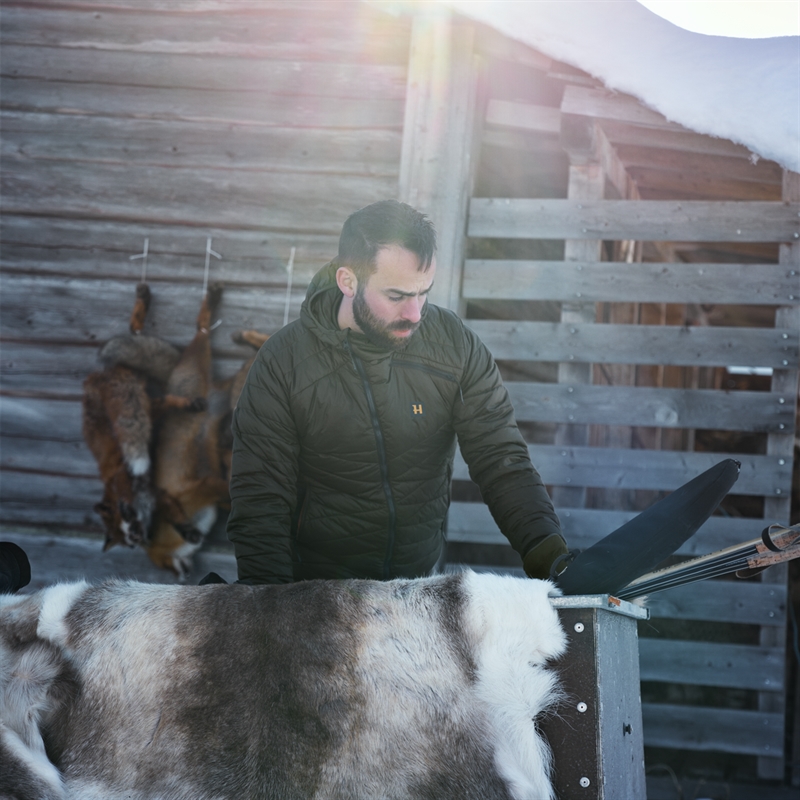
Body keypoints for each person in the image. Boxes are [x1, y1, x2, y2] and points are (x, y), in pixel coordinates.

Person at [227, 200, 568, 584]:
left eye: (424, 292)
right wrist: (271, 612)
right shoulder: (283, 362)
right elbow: (260, 497)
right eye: (397, 296)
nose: (415, 313)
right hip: (316, 597)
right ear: (348, 281)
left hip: (417, 591)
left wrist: (548, 553)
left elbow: (500, 457)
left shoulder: (455, 346)